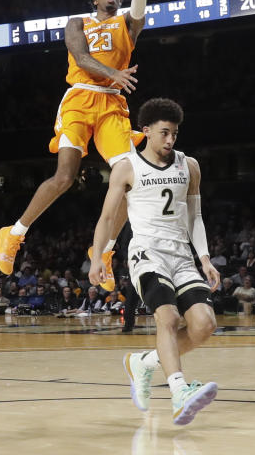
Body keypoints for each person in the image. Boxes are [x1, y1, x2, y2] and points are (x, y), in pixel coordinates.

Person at [0, 0, 171, 291]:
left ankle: (104, 252)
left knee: (130, 180)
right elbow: (80, 57)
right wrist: (115, 74)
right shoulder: (77, 23)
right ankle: (13, 233)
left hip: (112, 106)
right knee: (65, 177)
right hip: (79, 99)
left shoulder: (129, 24)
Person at [89, 97, 220, 426]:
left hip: (181, 254)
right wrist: (97, 256)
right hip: (146, 252)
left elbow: (196, 216)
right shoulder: (126, 167)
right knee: (169, 316)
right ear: (145, 131)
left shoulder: (188, 165)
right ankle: (179, 390)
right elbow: (107, 217)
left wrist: (204, 258)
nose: (170, 140)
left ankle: (144, 363)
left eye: (174, 134)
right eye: (164, 133)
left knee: (204, 325)